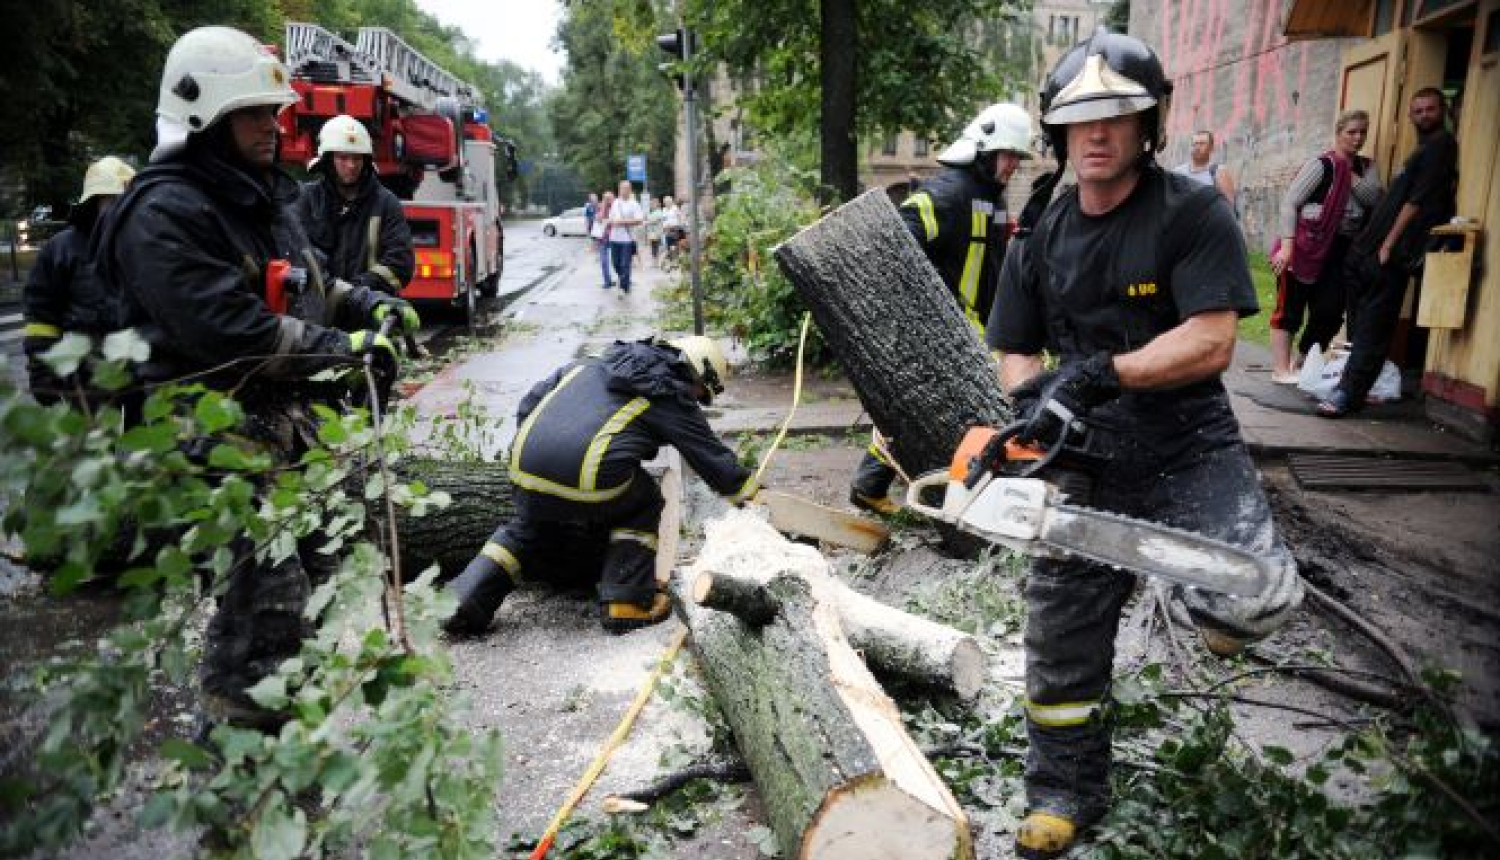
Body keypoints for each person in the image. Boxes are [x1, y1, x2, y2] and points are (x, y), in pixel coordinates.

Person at [986, 28, 1304, 858]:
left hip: (1184, 445)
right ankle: (1062, 790)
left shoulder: (1191, 213)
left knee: (1254, 601)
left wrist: (1102, 374)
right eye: (1079, 120)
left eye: (1116, 117)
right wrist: (1031, 401)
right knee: (1060, 632)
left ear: (1149, 123)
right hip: (1084, 459)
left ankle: (1211, 603)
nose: (1097, 134)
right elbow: (1014, 344)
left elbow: (1212, 340)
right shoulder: (1039, 230)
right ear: (1056, 130)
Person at [94, 26, 420, 730]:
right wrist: (343, 348)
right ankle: (238, 751)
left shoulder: (254, 196)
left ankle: (280, 721)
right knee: (267, 592)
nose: (273, 127)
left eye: (273, 113)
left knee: (318, 570)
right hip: (198, 437)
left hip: (269, 428)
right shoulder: (163, 214)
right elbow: (233, 332)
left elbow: (305, 281)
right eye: (252, 114)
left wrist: (367, 303)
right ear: (203, 116)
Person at [442, 336, 759, 635]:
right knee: (644, 500)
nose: (698, 401)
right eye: (701, 394)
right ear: (697, 375)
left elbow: (530, 403)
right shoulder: (669, 391)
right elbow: (710, 456)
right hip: (586, 477)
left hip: (523, 466)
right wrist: (751, 495)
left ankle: (461, 601)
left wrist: (543, 456)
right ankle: (627, 601)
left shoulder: (591, 363)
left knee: (530, 526)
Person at [848, 102, 1033, 515]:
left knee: (924, 408)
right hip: (943, 329)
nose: (1013, 166)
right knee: (947, 411)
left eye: (1017, 158)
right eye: (1009, 155)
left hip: (971, 328)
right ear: (984, 149)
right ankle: (952, 500)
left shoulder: (988, 197)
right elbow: (894, 241)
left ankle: (876, 485)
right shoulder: (948, 193)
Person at [1317, 87, 1458, 418]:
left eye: (1430, 109)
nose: (1424, 115)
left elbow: (1415, 203)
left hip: (1391, 253)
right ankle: (1352, 385)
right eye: (1418, 110)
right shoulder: (1419, 151)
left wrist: (1388, 245)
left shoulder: (1441, 147)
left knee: (1373, 328)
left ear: (1443, 110)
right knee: (1358, 327)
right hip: (1366, 249)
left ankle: (1347, 395)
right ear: (1410, 115)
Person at [1268, 110, 1382, 383]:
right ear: (1338, 133)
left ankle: (1303, 362)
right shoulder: (1322, 165)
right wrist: (1287, 248)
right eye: (1351, 132)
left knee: (1330, 312)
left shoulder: (1367, 167)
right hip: (1304, 245)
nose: (1357, 138)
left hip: (1341, 249)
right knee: (1291, 308)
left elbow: (1373, 198)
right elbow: (1290, 203)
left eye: (1362, 132)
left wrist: (1348, 170)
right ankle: (1280, 369)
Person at [22, 156, 135, 408]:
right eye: (111, 200)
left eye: (125, 200)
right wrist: (42, 372)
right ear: (94, 202)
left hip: (141, 375)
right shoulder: (61, 250)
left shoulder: (144, 242)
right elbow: (41, 317)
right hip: (87, 379)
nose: (120, 208)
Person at [294, 114, 414, 296]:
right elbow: (294, 254)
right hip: (318, 305)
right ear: (328, 160)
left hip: (370, 306)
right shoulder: (307, 200)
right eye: (343, 158)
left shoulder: (385, 203)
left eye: (357, 158)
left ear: (366, 161)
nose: (351, 165)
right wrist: (331, 290)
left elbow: (401, 264)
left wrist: (357, 290)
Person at [1172, 129, 1236, 205]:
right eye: (1195, 144)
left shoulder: (1219, 172)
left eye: (1202, 144)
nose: (1197, 147)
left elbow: (1229, 207)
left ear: (1211, 148)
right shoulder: (1178, 172)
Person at [607, 179, 645, 293]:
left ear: (630, 190)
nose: (624, 190)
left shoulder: (634, 204)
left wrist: (622, 222)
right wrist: (609, 221)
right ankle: (624, 279)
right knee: (615, 263)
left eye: (626, 188)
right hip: (614, 238)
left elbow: (639, 220)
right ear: (619, 190)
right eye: (622, 188)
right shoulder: (615, 203)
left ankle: (624, 287)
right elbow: (611, 218)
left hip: (627, 239)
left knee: (625, 264)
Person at [592, 190, 614, 288]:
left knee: (617, 261)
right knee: (604, 261)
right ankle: (607, 281)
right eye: (606, 199)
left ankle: (624, 280)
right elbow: (598, 219)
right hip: (603, 238)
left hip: (615, 237)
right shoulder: (601, 207)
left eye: (609, 198)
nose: (608, 200)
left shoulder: (616, 207)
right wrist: (603, 208)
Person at [645, 196, 666, 264]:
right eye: (650, 204)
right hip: (651, 232)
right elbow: (647, 219)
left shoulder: (659, 211)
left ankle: (656, 261)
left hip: (657, 232)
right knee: (653, 246)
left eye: (652, 204)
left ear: (656, 204)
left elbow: (655, 220)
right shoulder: (651, 212)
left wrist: (647, 222)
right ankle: (654, 261)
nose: (651, 205)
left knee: (657, 246)